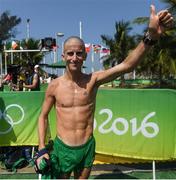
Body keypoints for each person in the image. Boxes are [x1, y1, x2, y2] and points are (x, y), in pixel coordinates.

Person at [37, 5, 174, 179]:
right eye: (70, 53)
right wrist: (42, 148)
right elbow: (42, 116)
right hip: (63, 148)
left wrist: (151, 37)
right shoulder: (54, 86)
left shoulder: (93, 80)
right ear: (63, 56)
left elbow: (127, 65)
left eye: (79, 53)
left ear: (85, 56)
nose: (74, 58)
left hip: (86, 147)